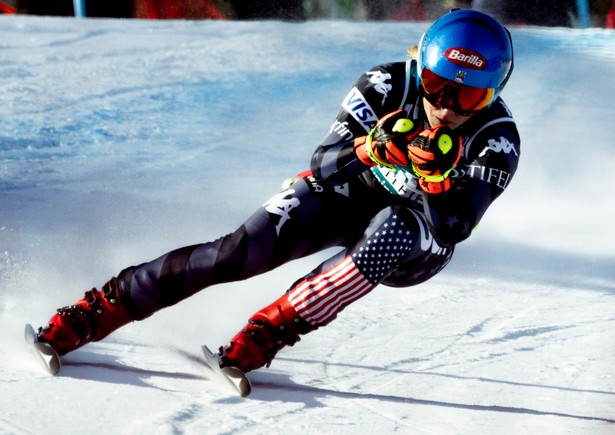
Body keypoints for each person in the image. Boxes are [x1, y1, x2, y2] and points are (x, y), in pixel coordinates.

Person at [34, 9, 519, 374]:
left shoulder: (497, 137)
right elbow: (324, 164)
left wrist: (434, 180)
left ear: (493, 95)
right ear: (420, 70)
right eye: (436, 87)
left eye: (469, 97)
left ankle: (269, 331)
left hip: (416, 239)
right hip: (347, 192)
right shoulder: (384, 83)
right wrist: (370, 150)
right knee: (238, 252)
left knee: (392, 228)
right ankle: (99, 308)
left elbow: (454, 226)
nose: (447, 108)